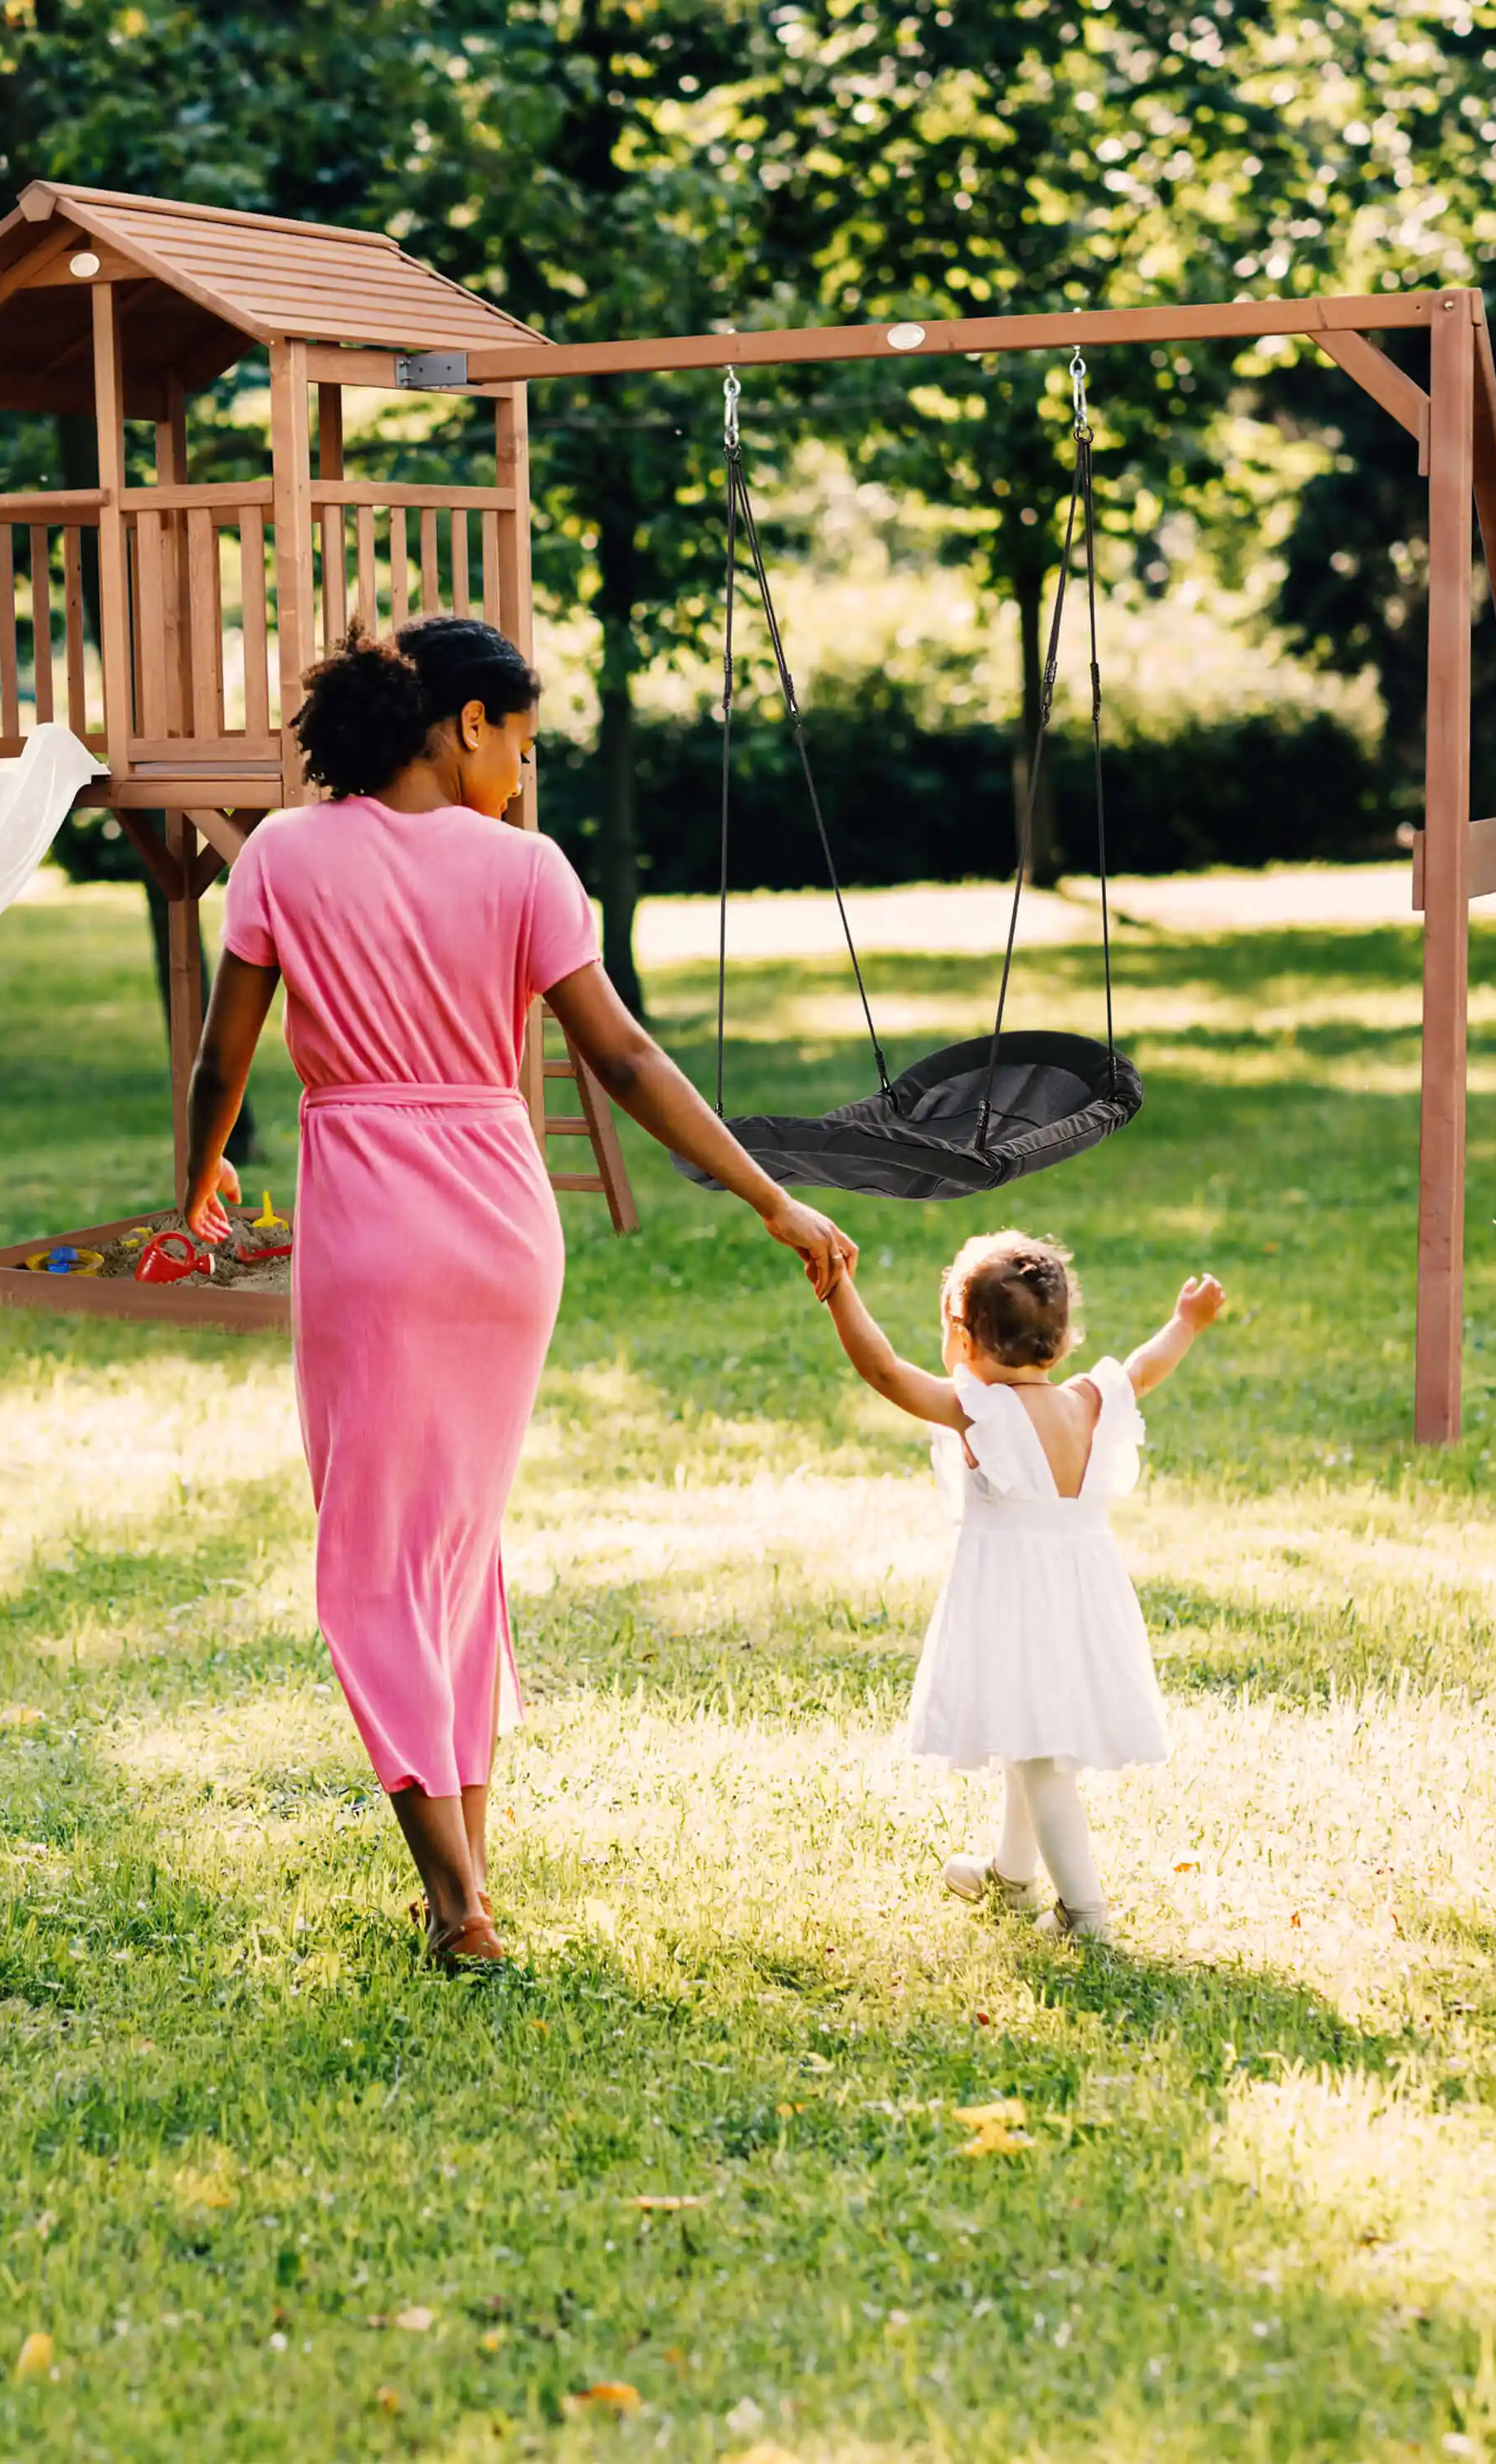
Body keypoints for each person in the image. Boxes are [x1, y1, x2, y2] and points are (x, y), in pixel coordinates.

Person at [180, 616, 857, 1971]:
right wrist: (770, 1194)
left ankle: (453, 1901)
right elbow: (624, 1059)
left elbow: (222, 1060)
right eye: (523, 745)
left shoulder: (282, 856)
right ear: (465, 724)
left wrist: (194, 1185)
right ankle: (468, 1879)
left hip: (370, 1228)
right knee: (454, 1551)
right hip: (501, 1228)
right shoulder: (529, 872)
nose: (525, 777)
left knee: (376, 1561)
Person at [819, 1231, 1227, 1942]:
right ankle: (1011, 1875)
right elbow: (1145, 1367)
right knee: (1025, 1729)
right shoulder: (1090, 1400)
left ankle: (1084, 1913)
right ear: (1062, 1340)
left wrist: (838, 1289)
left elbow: (883, 1371)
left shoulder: (980, 1412)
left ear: (963, 1336)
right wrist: (1185, 1323)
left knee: (1040, 1756)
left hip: (1016, 1602)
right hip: (1081, 1597)